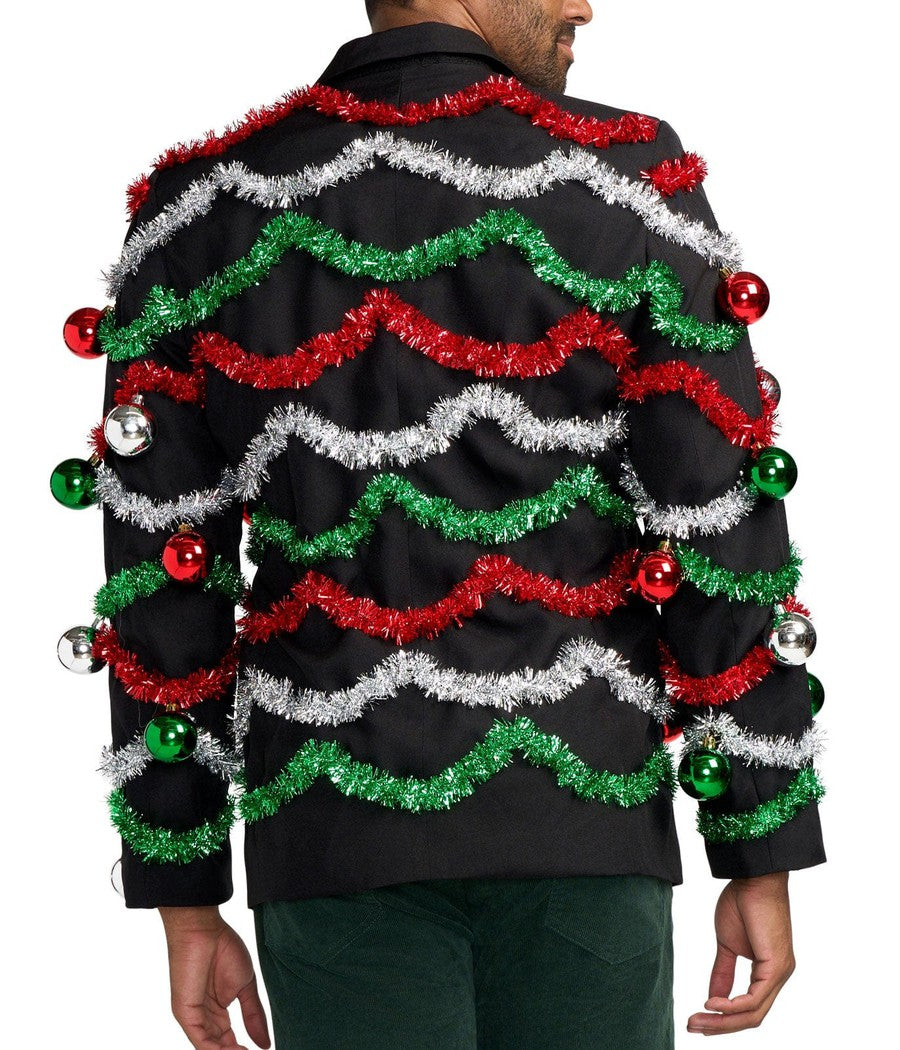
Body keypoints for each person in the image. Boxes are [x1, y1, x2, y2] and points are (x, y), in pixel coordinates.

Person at [53, 1, 827, 1047]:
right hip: (582, 818)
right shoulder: (628, 179)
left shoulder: (201, 208)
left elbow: (164, 568)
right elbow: (717, 523)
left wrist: (182, 886)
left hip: (329, 833)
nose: (582, 5)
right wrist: (762, 842)